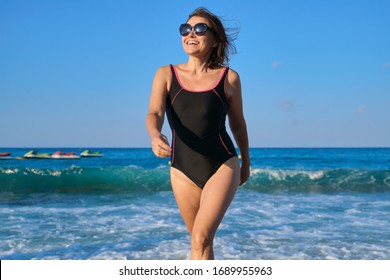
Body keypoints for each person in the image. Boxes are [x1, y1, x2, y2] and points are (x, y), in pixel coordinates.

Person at [146, 7, 250, 260]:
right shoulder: (166, 74)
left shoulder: (229, 78)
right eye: (186, 29)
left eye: (200, 29)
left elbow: (238, 124)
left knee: (200, 238)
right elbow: (155, 113)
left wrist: (245, 161)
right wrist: (154, 134)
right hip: (182, 168)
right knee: (200, 243)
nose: (190, 34)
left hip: (221, 164)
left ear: (215, 40)